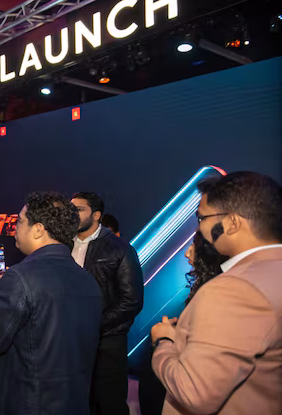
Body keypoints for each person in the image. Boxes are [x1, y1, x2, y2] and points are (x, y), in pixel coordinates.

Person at [151, 171, 282, 415]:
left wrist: (165, 342)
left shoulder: (232, 289)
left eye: (201, 217)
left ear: (232, 223)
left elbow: (194, 393)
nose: (200, 227)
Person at [0, 192, 103, 415]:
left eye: (20, 221)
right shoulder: (87, 279)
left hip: (26, 405)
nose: (14, 228)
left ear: (38, 229)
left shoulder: (19, 279)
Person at [138, 231, 228, 415]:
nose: (187, 253)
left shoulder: (215, 292)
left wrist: (165, 338)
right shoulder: (211, 287)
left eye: (194, 246)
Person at [71, 192, 143, 415]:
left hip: (108, 342)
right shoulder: (61, 245)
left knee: (109, 404)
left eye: (79, 209)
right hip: (69, 340)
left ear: (96, 215)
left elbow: (131, 301)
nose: (72, 214)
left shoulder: (120, 249)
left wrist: (94, 325)